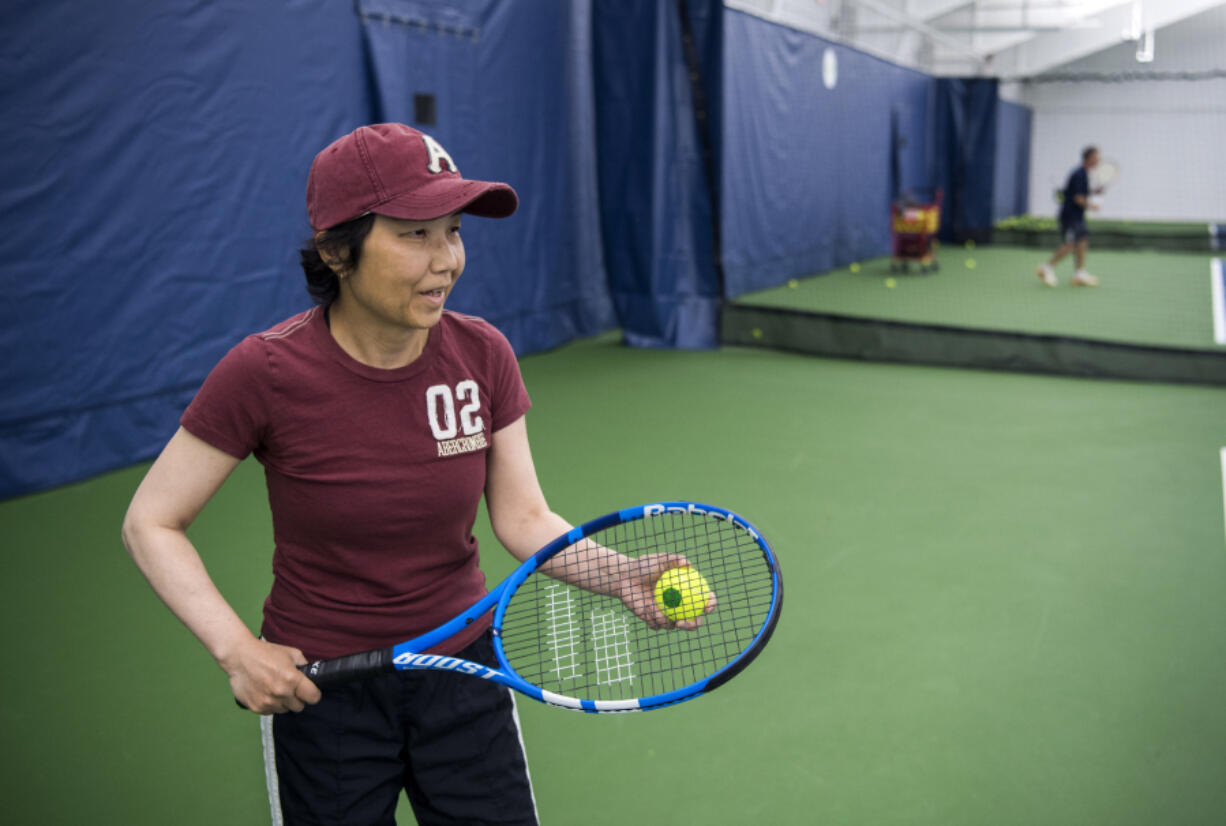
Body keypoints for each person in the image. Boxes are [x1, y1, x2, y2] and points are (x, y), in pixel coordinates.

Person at [121, 123, 697, 826]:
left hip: (461, 673)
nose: (445, 259)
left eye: (452, 231)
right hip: (324, 692)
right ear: (338, 251)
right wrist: (237, 648)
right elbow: (151, 520)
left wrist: (623, 575)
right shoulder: (265, 372)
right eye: (413, 235)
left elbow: (521, 517)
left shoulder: (483, 354)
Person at [1037, 145, 1102, 287]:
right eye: (1097, 157)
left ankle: (1080, 273)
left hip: (1077, 216)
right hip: (1070, 216)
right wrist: (1092, 206)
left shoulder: (1084, 174)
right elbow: (1078, 199)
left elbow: (1080, 193)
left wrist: (1094, 192)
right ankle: (1046, 269)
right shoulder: (1079, 174)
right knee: (1070, 245)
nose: (1099, 160)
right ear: (1089, 158)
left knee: (1082, 241)